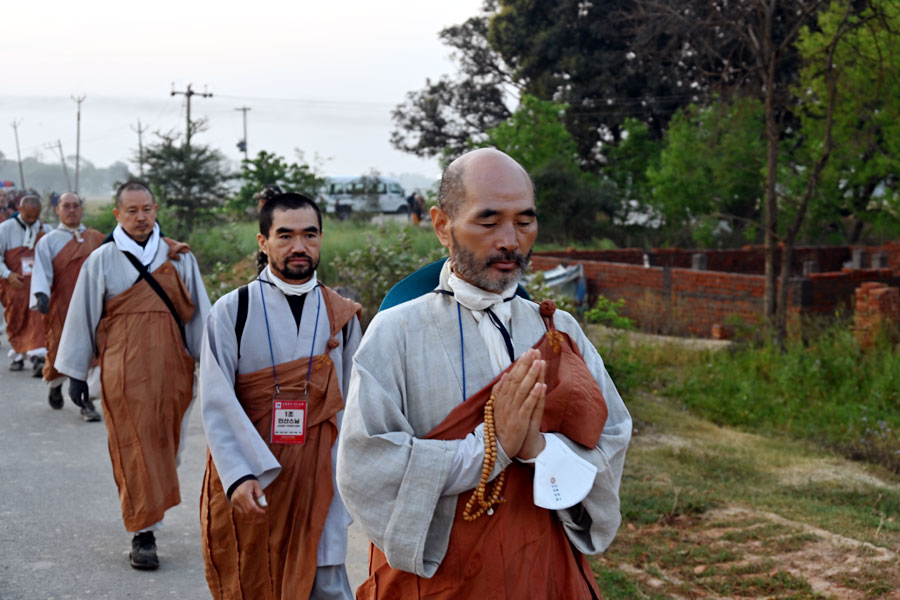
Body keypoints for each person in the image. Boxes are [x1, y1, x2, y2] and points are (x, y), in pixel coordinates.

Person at [337, 148, 632, 598]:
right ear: (442, 225)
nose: (511, 240)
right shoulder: (397, 331)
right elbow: (366, 465)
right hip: (442, 581)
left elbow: (609, 440)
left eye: (525, 221)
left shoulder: (558, 330)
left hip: (544, 570)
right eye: (489, 222)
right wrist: (490, 451)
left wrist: (539, 450)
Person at [199, 191, 361, 600]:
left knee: (326, 581)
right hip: (257, 474)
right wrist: (238, 474)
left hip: (321, 473)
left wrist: (353, 475)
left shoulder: (341, 315)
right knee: (255, 577)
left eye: (309, 235)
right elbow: (216, 401)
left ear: (322, 237)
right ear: (263, 242)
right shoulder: (233, 310)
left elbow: (357, 404)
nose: (299, 247)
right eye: (285, 236)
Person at [55, 181, 210, 570]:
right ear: (117, 215)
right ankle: (143, 534)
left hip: (174, 369)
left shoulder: (179, 259)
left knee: (166, 448)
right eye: (132, 211)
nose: (141, 217)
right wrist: (75, 372)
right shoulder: (103, 259)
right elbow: (82, 317)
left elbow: (201, 319)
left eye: (147, 210)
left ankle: (151, 508)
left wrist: (212, 366)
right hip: (122, 371)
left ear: (156, 210)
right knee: (133, 447)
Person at [29, 192, 106, 419]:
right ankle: (55, 385)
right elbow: (41, 271)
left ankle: (86, 403)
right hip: (62, 308)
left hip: (94, 307)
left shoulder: (95, 238)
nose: (71, 210)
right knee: (61, 352)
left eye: (75, 206)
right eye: (66, 206)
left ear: (81, 209)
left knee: (95, 352)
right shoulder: (48, 241)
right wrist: (41, 295)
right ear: (57, 210)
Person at [0, 195, 53, 375]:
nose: (32, 221)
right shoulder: (5, 229)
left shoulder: (45, 229)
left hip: (37, 285)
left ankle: (38, 357)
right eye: (28, 216)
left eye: (35, 217)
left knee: (38, 321)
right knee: (16, 321)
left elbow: (54, 255)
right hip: (14, 285)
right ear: (20, 211)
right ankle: (17, 355)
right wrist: (7, 274)